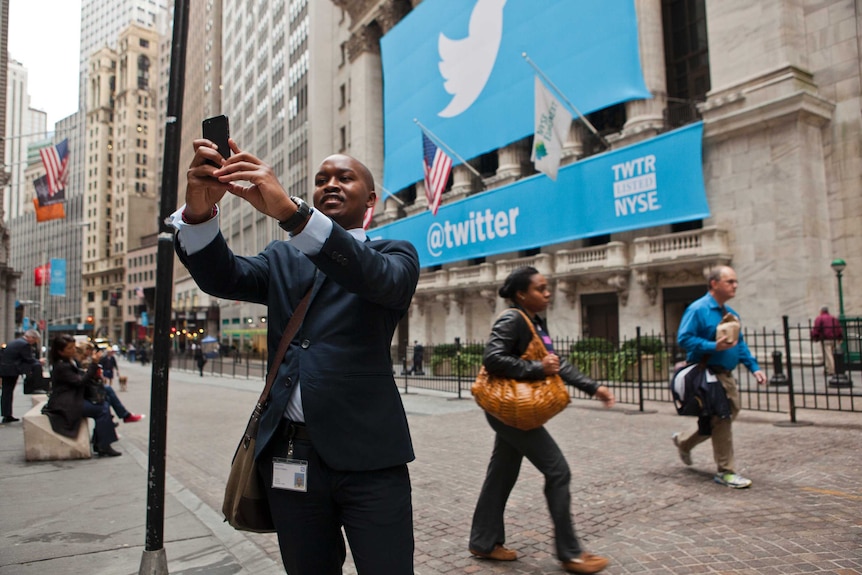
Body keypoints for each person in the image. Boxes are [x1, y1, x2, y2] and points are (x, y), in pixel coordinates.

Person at [171, 137, 420, 575]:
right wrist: (198, 214)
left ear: (371, 199)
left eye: (345, 177)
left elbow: (374, 279)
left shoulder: (394, 254)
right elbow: (221, 277)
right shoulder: (282, 256)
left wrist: (292, 214)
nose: (331, 184)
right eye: (322, 179)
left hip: (370, 458)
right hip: (290, 456)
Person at [468, 266, 615, 575]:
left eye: (547, 288)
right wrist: (536, 368)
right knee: (558, 471)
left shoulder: (535, 322)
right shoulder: (512, 319)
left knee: (501, 474)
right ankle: (571, 553)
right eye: (540, 288)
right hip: (511, 411)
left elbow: (555, 364)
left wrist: (594, 387)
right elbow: (493, 358)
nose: (547, 293)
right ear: (522, 294)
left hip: (513, 411)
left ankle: (484, 541)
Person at [674, 265, 767, 489]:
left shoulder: (731, 313)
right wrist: (712, 346)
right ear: (714, 284)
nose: (735, 285)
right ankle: (726, 471)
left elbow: (739, 343)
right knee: (722, 418)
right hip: (708, 375)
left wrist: (753, 366)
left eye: (735, 282)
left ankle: (684, 442)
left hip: (726, 375)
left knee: (725, 415)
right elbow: (683, 338)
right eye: (730, 281)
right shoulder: (698, 309)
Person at [42, 334, 122, 457]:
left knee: (104, 402)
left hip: (73, 398)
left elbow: (80, 376)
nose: (73, 350)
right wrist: (94, 365)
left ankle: (101, 442)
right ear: (60, 351)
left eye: (73, 347)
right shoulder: (61, 366)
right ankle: (103, 444)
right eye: (69, 348)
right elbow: (79, 381)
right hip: (66, 404)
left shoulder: (68, 361)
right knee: (102, 409)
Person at [0, 329, 45, 423]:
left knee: (6, 392)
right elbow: (28, 358)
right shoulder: (25, 344)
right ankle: (7, 415)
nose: (34, 343)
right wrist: (39, 362)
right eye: (35, 340)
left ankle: (6, 414)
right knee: (8, 392)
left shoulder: (16, 341)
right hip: (12, 370)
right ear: (31, 337)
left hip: (5, 369)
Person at [810, 306, 843, 375]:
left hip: (826, 338)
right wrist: (840, 337)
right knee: (834, 354)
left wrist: (814, 337)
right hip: (835, 338)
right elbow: (839, 328)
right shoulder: (833, 318)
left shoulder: (820, 318)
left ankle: (831, 370)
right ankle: (831, 368)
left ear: (821, 311)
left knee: (828, 355)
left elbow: (817, 329)